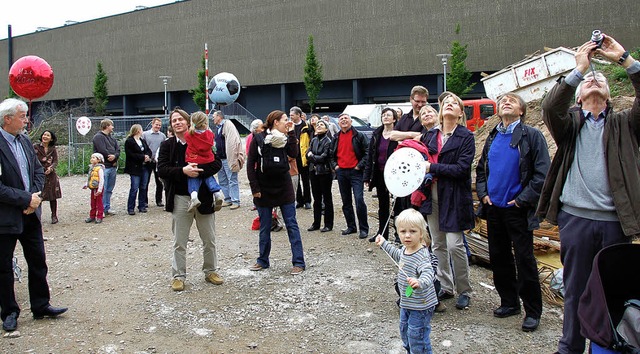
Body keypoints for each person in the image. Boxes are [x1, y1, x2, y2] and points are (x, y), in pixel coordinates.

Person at [536, 35, 640, 354]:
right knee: (576, 288)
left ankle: (607, 346)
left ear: (608, 96)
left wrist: (625, 60)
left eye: (600, 79)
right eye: (588, 80)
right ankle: (570, 346)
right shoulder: (569, 125)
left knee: (612, 290)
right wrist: (579, 69)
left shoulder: (626, 124)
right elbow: (549, 106)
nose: (595, 79)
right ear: (579, 97)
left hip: (614, 223)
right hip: (576, 221)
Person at [476, 92, 550, 332]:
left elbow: (542, 174)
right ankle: (509, 302)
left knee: (524, 260)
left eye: (512, 100)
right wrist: (483, 193)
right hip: (494, 208)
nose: (505, 102)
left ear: (521, 111)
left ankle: (532, 311)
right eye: (502, 101)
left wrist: (521, 200)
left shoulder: (532, 136)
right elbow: (481, 169)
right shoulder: (493, 135)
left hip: (517, 210)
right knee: (499, 257)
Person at [0, 98, 68, 333]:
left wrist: (35, 197)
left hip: (31, 212)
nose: (26, 119)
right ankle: (9, 311)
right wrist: (24, 199)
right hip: (6, 216)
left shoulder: (26, 141)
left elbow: (38, 170)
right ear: (7, 119)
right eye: (22, 115)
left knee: (38, 260)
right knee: (4, 267)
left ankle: (41, 305)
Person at [157, 107, 224, 292]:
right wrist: (183, 171)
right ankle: (178, 276)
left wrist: (200, 171)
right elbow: (161, 169)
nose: (177, 122)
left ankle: (211, 270)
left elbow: (217, 162)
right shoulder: (167, 145)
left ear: (188, 122)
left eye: (180, 119)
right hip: (180, 198)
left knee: (209, 238)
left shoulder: (202, 137)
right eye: (173, 121)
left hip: (203, 197)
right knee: (180, 240)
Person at [420, 92, 475, 310]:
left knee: (455, 245)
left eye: (454, 104)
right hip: (432, 196)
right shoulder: (432, 136)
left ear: (461, 113)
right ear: (441, 111)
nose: (449, 106)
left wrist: (432, 168)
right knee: (438, 244)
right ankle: (445, 285)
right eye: (446, 104)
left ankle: (465, 290)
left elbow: (462, 170)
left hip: (454, 197)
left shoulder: (466, 136)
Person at [246, 110, 306, 275]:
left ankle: (299, 262)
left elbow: (294, 154)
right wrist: (255, 188)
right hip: (264, 188)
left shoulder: (287, 138)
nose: (288, 122)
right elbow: (250, 164)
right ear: (275, 122)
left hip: (284, 186)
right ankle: (262, 260)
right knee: (265, 226)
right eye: (285, 120)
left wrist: (292, 132)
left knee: (291, 224)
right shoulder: (258, 138)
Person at [375, 209, 437, 353]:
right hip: (407, 302)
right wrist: (384, 243)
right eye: (403, 231)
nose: (407, 235)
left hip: (421, 305)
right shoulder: (405, 249)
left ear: (421, 233)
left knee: (417, 335)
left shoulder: (422, 255)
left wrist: (419, 281)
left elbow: (428, 273)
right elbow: (397, 255)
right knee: (404, 330)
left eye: (413, 231)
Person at [331, 113, 369, 239]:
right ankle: (351, 226)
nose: (343, 120)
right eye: (341, 119)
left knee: (359, 200)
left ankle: (364, 229)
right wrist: (335, 166)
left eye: (346, 118)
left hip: (356, 172)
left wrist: (359, 166)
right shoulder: (336, 137)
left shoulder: (359, 135)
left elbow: (368, 152)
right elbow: (331, 154)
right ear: (338, 122)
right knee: (346, 201)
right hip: (341, 172)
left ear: (351, 121)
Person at [364, 108, 399, 241]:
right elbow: (371, 156)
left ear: (394, 119)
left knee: (398, 205)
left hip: (395, 175)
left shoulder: (398, 134)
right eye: (383, 115)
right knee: (382, 205)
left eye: (388, 115)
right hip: (379, 173)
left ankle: (398, 234)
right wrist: (367, 176)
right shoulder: (377, 133)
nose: (385, 117)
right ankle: (382, 234)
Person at [184, 112, 224, 212]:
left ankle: (194, 196)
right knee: (208, 176)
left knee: (193, 177)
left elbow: (187, 139)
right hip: (208, 159)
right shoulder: (210, 134)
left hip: (194, 159)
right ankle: (217, 193)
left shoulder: (189, 134)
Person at [212, 110, 245, 210]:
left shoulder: (228, 125)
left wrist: (234, 157)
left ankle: (235, 200)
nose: (213, 118)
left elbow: (232, 142)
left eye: (214, 116)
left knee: (232, 180)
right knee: (222, 180)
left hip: (228, 158)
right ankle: (227, 199)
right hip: (220, 158)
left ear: (219, 117)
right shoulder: (218, 128)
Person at [306, 120, 334, 233]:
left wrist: (313, 156)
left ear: (327, 129)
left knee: (327, 198)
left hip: (325, 172)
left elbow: (324, 157)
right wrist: (313, 157)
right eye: (317, 125)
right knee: (316, 199)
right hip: (313, 171)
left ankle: (328, 224)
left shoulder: (328, 141)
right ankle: (316, 223)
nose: (318, 126)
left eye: (322, 125)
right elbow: (307, 154)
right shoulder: (313, 140)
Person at [33, 130, 62, 224]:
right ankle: (37, 217)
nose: (45, 136)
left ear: (51, 138)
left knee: (52, 196)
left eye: (47, 135)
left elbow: (55, 161)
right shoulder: (35, 147)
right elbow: (32, 159)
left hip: (51, 175)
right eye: (44, 134)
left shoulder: (52, 148)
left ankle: (54, 216)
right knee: (39, 195)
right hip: (39, 175)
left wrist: (51, 168)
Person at [93, 118, 120, 216]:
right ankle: (100, 208)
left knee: (109, 189)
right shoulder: (98, 137)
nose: (113, 127)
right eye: (111, 125)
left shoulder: (112, 138)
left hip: (113, 167)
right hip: (104, 167)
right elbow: (101, 150)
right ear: (107, 126)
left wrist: (115, 156)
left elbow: (118, 149)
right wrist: (110, 156)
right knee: (102, 189)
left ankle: (107, 207)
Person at [124, 124, 152, 215]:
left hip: (144, 166)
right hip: (135, 167)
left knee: (143, 187)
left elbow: (148, 150)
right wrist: (142, 157)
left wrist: (147, 156)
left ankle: (142, 205)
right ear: (137, 131)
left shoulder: (142, 140)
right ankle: (130, 207)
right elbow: (130, 154)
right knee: (134, 188)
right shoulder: (129, 141)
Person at [289, 106, 312, 209]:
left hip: (304, 157)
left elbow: (311, 141)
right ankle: (299, 200)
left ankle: (307, 201)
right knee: (295, 180)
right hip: (294, 158)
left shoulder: (307, 127)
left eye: (292, 115)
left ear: (298, 115)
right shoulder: (289, 127)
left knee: (306, 180)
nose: (291, 117)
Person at [142, 117, 167, 207]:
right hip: (147, 161)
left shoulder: (162, 136)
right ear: (152, 124)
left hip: (158, 162)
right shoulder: (145, 135)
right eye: (156, 124)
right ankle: (144, 201)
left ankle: (159, 200)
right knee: (145, 182)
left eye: (159, 125)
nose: (158, 126)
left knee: (159, 182)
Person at [83, 152, 105, 224]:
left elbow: (101, 179)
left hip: (98, 188)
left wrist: (100, 189)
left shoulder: (100, 169)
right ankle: (92, 216)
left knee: (99, 203)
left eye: (94, 157)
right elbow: (90, 178)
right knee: (93, 203)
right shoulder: (92, 168)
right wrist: (87, 184)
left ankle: (99, 216)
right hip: (93, 188)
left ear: (99, 160)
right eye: (91, 157)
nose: (91, 159)